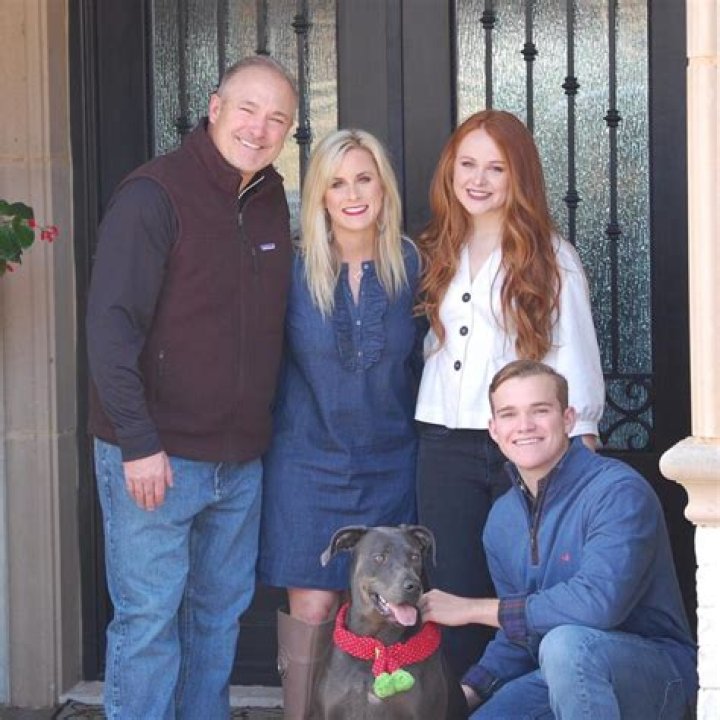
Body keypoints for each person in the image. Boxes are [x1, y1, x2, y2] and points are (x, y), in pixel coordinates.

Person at [86, 55, 298, 720]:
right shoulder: (154, 195)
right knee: (149, 621)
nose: (259, 128)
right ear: (214, 108)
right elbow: (110, 329)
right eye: (247, 109)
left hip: (238, 464)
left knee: (217, 619)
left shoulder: (270, 201)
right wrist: (138, 443)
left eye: (277, 119)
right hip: (157, 458)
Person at [415, 109, 605, 675]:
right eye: (467, 164)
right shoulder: (435, 250)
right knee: (451, 587)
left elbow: (574, 359)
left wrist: (578, 452)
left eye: (496, 168)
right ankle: (460, 701)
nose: (478, 180)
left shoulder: (551, 257)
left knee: (524, 585)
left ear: (518, 176)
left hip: (520, 448)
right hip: (442, 443)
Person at [420, 360, 698, 719]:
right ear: (494, 429)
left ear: (568, 419)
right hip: (561, 676)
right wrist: (460, 698)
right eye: (509, 414)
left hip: (657, 678)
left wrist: (472, 610)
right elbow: (518, 636)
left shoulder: (616, 491)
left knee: (565, 644)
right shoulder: (502, 519)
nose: (524, 426)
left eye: (540, 410)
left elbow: (599, 604)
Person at [257, 128, 423, 718]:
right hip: (306, 463)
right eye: (337, 183)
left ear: (383, 188)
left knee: (387, 616)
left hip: (390, 463)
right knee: (314, 611)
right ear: (319, 197)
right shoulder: (291, 268)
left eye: (363, 179)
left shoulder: (414, 265)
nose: (352, 195)